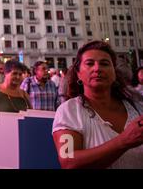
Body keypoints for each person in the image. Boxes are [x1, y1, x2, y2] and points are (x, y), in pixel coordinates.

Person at [52, 41, 143, 169]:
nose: (97, 68)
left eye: (104, 64)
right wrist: (124, 141)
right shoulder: (68, 111)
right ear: (78, 73)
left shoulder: (137, 109)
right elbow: (68, 162)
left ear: (114, 73)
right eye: (89, 63)